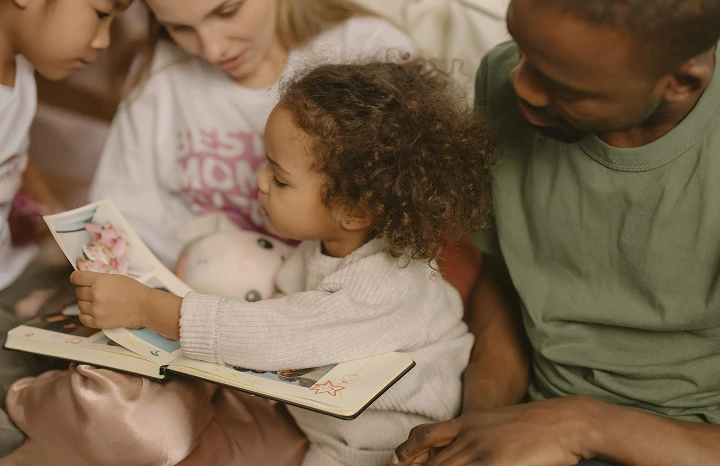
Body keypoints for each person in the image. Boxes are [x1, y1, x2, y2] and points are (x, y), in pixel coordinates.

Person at [67, 57, 497, 466]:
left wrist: (148, 307)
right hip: (315, 414)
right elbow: (280, 302)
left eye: (280, 177)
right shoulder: (328, 243)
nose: (260, 182)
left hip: (377, 442)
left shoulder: (385, 285)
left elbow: (277, 332)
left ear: (355, 210)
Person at [392, 0, 720, 465]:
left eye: (564, 86)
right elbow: (506, 279)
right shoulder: (510, 83)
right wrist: (481, 422)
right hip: (537, 418)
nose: (519, 83)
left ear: (680, 82)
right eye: (520, 46)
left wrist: (581, 424)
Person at [90, 0, 414, 268]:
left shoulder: (368, 49)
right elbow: (121, 217)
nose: (213, 49)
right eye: (180, 28)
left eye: (227, 11)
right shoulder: (161, 74)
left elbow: (406, 212)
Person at [0, 0, 130, 456]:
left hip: (12, 267)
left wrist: (41, 207)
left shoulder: (19, 66)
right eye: (99, 13)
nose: (103, 39)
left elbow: (15, 149)